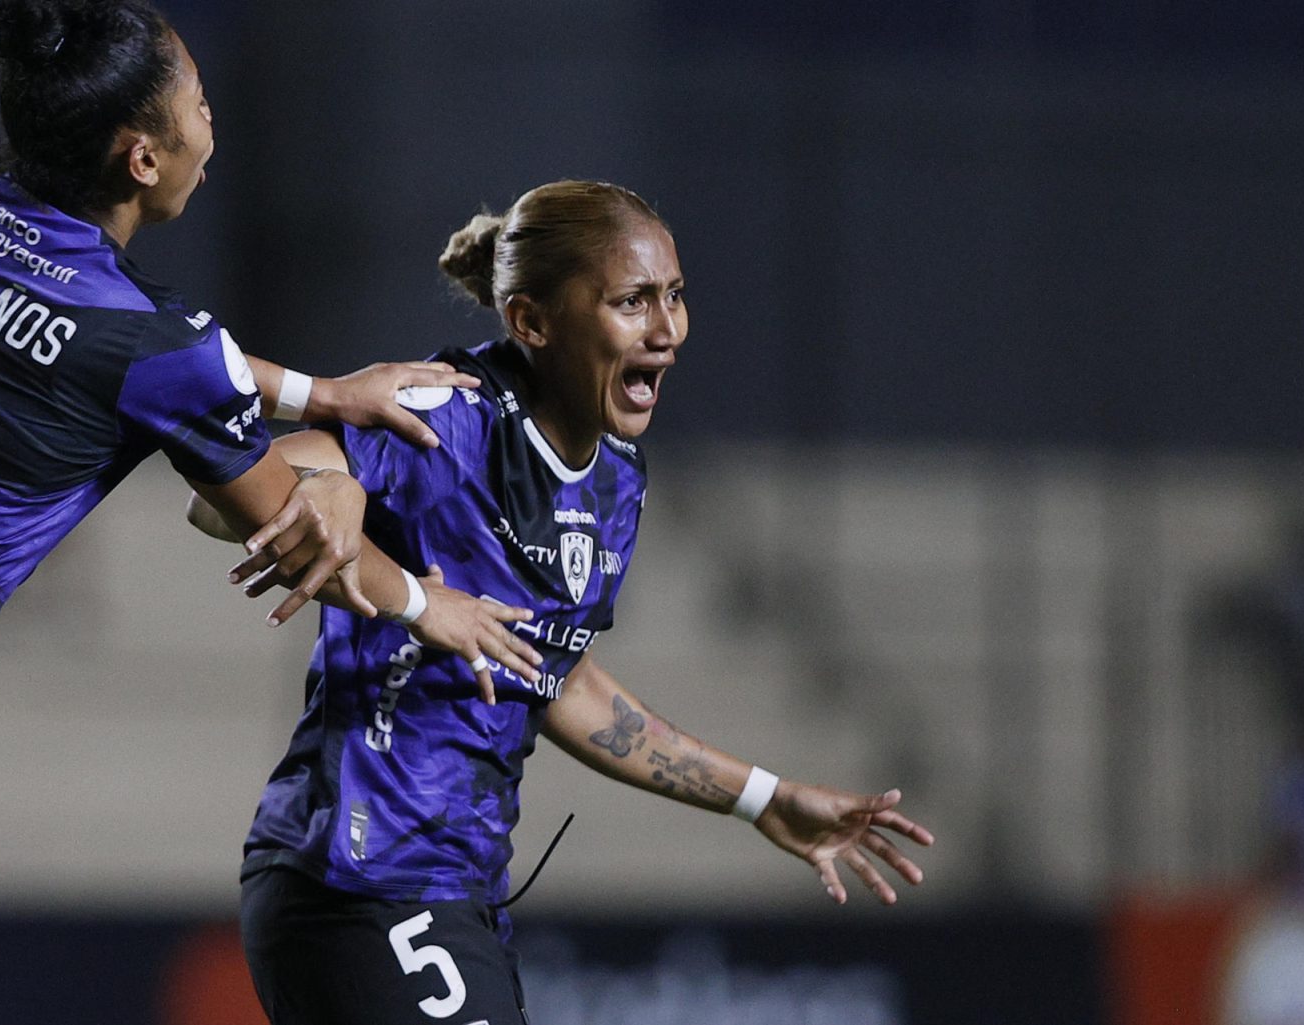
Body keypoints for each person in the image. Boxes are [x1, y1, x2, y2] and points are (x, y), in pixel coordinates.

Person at [0, 3, 539, 1024]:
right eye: (199, 107)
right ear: (143, 158)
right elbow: (295, 529)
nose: (215, 127)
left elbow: (119, 353)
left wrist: (325, 397)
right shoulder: (158, 348)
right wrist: (431, 605)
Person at [191, 180, 935, 1024]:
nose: (667, 331)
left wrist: (762, 796)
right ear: (532, 322)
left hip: (458, 890)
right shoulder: (446, 419)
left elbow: (559, 682)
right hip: (356, 880)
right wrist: (332, 486)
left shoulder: (617, 481)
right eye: (632, 302)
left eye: (675, 297)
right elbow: (216, 500)